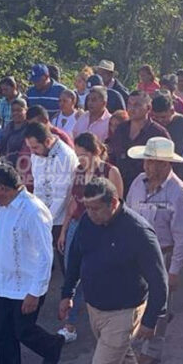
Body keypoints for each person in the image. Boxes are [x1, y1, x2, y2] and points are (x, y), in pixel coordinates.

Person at [57, 177, 168, 364]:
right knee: (120, 356)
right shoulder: (88, 221)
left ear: (114, 203)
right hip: (95, 307)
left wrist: (150, 321)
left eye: (96, 208)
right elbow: (76, 257)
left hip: (124, 311)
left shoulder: (138, 232)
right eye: (87, 207)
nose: (90, 214)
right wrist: (67, 293)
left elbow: (159, 281)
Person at [0, 165, 65, 364]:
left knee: (23, 331)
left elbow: (46, 256)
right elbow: (0, 221)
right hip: (2, 284)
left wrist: (35, 292)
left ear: (3, 188)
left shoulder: (33, 211)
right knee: (4, 334)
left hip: (26, 287)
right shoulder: (6, 206)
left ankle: (52, 345)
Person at [125, 137, 183, 364]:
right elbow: (127, 213)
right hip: (135, 253)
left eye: (151, 161)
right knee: (136, 298)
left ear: (165, 164)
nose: (146, 165)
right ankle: (137, 337)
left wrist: (174, 271)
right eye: (146, 161)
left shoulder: (179, 193)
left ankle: (152, 351)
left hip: (162, 255)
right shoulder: (138, 182)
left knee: (159, 303)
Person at [56, 133, 123, 343]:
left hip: (101, 227)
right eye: (77, 154)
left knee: (98, 272)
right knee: (72, 273)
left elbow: (118, 205)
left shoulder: (110, 171)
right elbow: (73, 203)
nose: (80, 159)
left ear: (96, 151)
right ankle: (71, 322)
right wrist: (64, 230)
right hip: (77, 225)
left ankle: (94, 319)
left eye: (84, 154)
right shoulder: (78, 172)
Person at [25, 122, 79, 275]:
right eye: (30, 148)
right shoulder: (36, 153)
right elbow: (38, 185)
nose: (32, 152)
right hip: (42, 214)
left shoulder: (65, 156)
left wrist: (45, 220)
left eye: (35, 147)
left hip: (61, 218)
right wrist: (35, 212)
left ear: (48, 142)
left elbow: (62, 195)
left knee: (65, 261)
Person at [107, 91, 170, 191]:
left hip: (147, 189)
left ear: (148, 108)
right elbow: (112, 157)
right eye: (129, 104)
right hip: (120, 187)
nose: (132, 109)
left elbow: (167, 165)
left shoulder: (158, 133)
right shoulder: (120, 129)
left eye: (137, 105)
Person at [150, 94, 183, 158]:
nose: (160, 120)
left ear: (172, 111)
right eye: (156, 117)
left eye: (163, 117)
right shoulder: (152, 123)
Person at [0, 97, 29, 167]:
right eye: (13, 110)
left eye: (19, 110)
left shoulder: (29, 128)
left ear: (26, 110)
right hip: (6, 165)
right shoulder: (8, 127)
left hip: (23, 165)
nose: (15, 113)